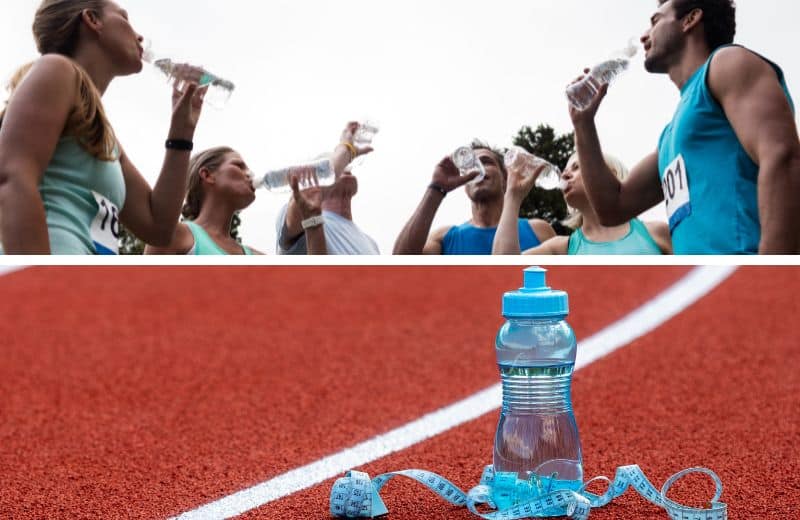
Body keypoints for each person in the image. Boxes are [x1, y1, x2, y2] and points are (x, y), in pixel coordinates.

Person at [570, 0, 800, 254]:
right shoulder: (673, 134)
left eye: (655, 21)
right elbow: (613, 207)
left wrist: (775, 273)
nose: (645, 35)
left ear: (690, 20)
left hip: (752, 273)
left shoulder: (728, 63)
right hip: (712, 283)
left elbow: (782, 156)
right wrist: (583, 124)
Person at [0, 0, 204, 255]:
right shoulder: (57, 69)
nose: (139, 35)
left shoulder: (103, 134)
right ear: (92, 20)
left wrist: (182, 131)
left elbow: (158, 227)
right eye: (124, 18)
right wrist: (39, 283)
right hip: (44, 277)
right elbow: (12, 177)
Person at [144, 148, 326, 255]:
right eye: (239, 166)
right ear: (207, 175)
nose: (250, 174)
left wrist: (313, 221)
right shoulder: (174, 236)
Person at [393, 141, 556, 255]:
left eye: (486, 162)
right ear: (464, 184)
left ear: (505, 178)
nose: (478, 170)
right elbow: (401, 263)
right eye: (470, 166)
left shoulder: (538, 230)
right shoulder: (446, 238)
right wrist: (436, 189)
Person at [493, 152, 672, 255]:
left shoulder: (656, 232)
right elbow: (503, 268)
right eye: (565, 170)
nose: (565, 175)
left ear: (612, 174)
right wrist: (513, 197)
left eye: (576, 167)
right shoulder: (561, 248)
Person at [276, 122, 379, 255]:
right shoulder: (301, 213)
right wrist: (344, 148)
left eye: (344, 163)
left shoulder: (371, 243)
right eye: (327, 165)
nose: (346, 165)